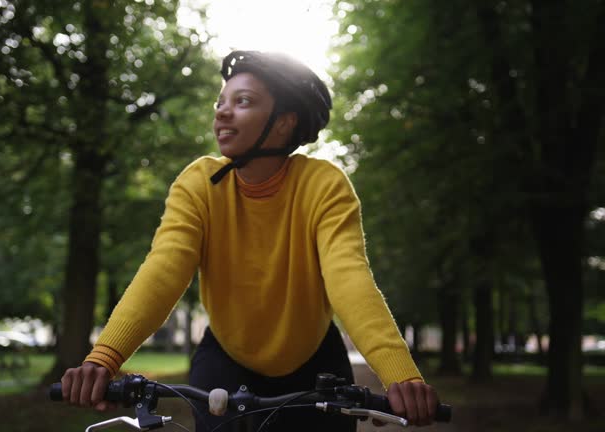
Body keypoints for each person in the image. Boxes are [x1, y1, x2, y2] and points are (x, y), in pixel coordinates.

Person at [60, 50, 440, 431]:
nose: (222, 113)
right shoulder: (199, 185)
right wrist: (103, 359)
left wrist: (400, 376)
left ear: (283, 124)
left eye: (243, 102)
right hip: (224, 357)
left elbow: (349, 278)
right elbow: (164, 271)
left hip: (315, 361)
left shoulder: (324, 185)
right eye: (220, 102)